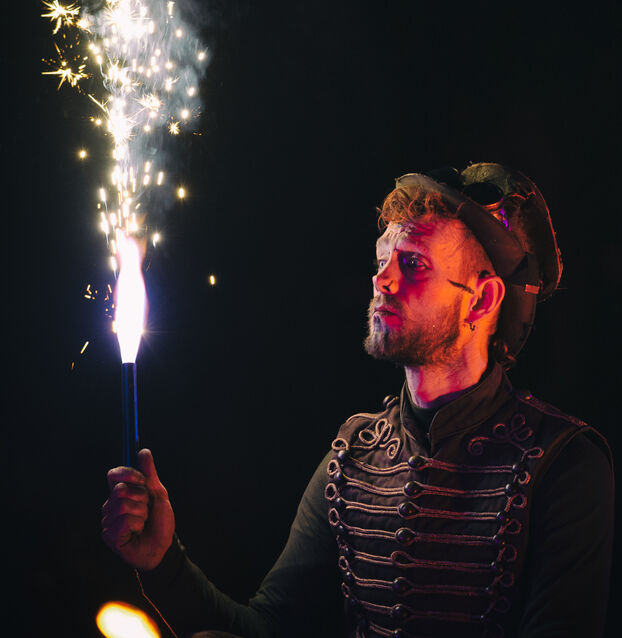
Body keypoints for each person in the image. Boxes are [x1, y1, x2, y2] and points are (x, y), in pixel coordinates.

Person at [102, 163, 614, 638]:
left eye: (412, 263)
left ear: (482, 300)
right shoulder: (354, 457)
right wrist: (163, 562)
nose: (381, 278)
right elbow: (265, 630)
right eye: (383, 260)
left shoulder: (562, 465)